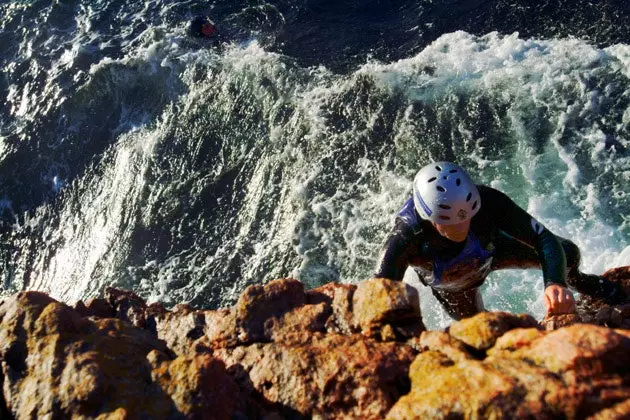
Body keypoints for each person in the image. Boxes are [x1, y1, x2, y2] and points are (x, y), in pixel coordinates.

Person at [374, 161, 625, 320]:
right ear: (429, 217)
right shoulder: (407, 237)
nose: (462, 227)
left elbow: (543, 238)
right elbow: (379, 293)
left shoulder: (489, 202)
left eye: (468, 217)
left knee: (567, 254)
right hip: (454, 283)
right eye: (451, 223)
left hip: (492, 251)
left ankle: (598, 290)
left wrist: (555, 283)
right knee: (479, 328)